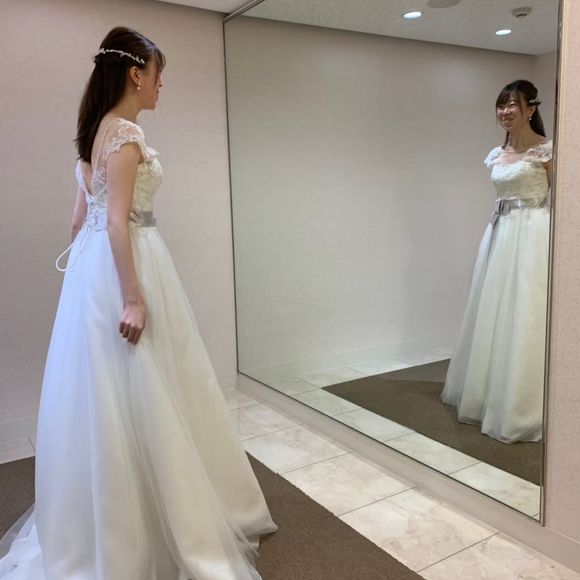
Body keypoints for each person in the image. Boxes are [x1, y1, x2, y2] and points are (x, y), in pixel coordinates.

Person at [0, 26, 277, 579]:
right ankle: (163, 520)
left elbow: (78, 223)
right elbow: (116, 222)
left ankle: (106, 521)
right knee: (151, 385)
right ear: (135, 74)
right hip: (130, 262)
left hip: (91, 273)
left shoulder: (91, 136)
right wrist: (132, 298)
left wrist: (85, 287)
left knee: (107, 396)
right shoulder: (125, 135)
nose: (160, 85)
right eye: (157, 74)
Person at [441, 79, 552, 444]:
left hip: (533, 233)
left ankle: (523, 404)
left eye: (512, 104)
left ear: (531, 109)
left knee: (527, 311)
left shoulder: (547, 151)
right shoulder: (497, 153)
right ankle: (490, 392)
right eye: (501, 105)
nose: (505, 111)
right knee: (493, 310)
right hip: (500, 231)